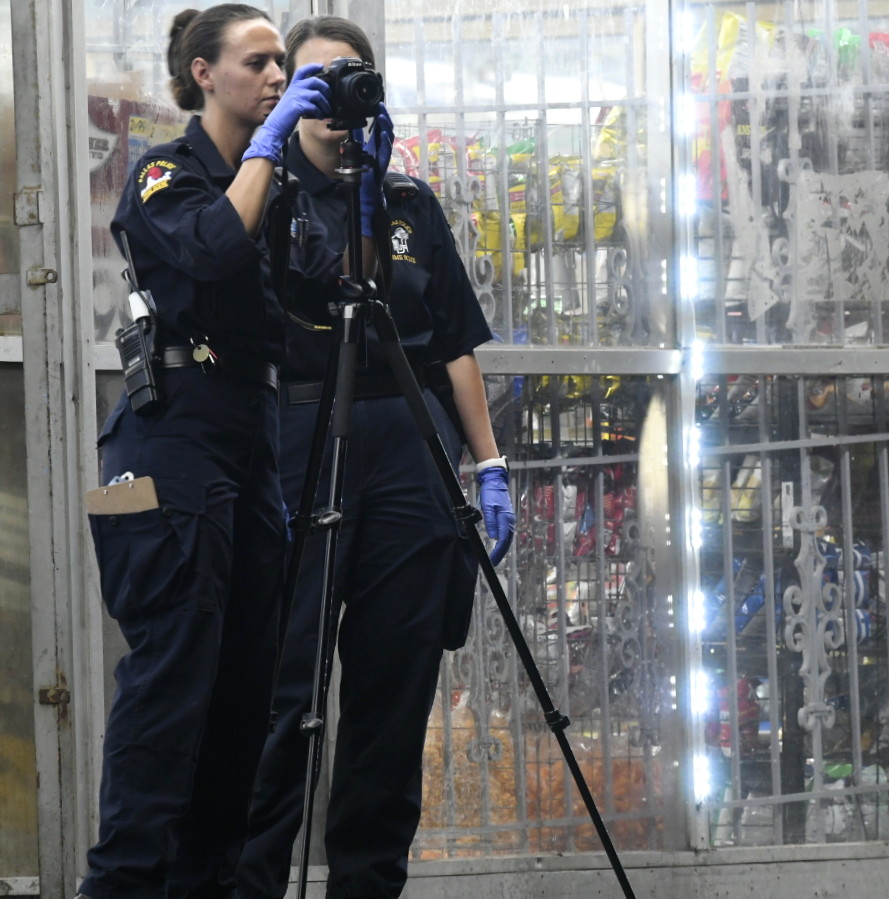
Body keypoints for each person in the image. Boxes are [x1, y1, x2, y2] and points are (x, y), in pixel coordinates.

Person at [234, 15, 515, 899]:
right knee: (285, 697)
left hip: (408, 451)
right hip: (301, 446)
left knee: (393, 700)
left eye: (352, 80)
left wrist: (491, 465)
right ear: (284, 96)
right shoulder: (261, 199)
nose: (336, 100)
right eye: (314, 82)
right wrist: (271, 159)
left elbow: (455, 344)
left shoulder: (408, 205)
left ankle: (366, 883)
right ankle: (249, 883)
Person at [77, 6, 353, 898]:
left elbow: (322, 293)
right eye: (258, 62)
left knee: (246, 696)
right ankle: (122, 886)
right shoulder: (166, 172)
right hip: (164, 446)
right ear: (203, 72)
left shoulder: (273, 184)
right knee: (170, 681)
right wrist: (272, 150)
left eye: (284, 65)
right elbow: (208, 251)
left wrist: (353, 169)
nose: (278, 76)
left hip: (248, 440)